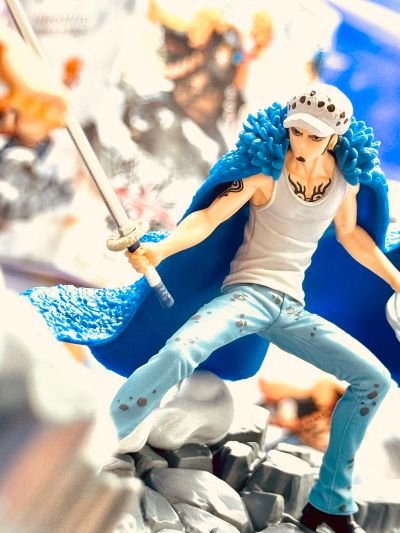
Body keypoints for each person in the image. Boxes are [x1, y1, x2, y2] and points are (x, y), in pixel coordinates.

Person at [24, 82, 399, 532]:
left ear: (334, 137)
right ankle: (93, 447)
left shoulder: (344, 182)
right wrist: (161, 250)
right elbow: (209, 217)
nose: (301, 143)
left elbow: (352, 235)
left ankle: (330, 503)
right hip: (246, 296)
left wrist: (396, 280)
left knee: (373, 380)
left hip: (291, 309)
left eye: (314, 136)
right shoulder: (265, 173)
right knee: (181, 350)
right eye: (296, 131)